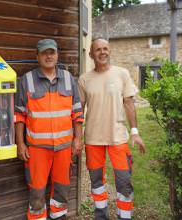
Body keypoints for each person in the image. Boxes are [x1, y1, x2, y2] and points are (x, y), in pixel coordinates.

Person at [15, 39, 84, 220]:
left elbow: (77, 112)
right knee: (37, 192)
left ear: (57, 55)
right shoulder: (27, 80)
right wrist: (20, 143)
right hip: (37, 150)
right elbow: (19, 115)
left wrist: (78, 139)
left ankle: (59, 217)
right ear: (37, 56)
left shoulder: (69, 79)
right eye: (44, 53)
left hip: (64, 148)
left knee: (61, 189)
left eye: (51, 52)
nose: (49, 56)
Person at [78, 38, 146, 220]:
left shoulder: (121, 74)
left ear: (110, 51)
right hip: (93, 139)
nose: (102, 52)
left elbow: (129, 103)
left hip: (118, 138)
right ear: (91, 54)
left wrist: (135, 132)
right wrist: (76, 137)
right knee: (97, 182)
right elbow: (79, 110)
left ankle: (124, 216)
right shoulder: (84, 79)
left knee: (124, 182)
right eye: (98, 49)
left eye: (105, 49)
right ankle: (101, 215)